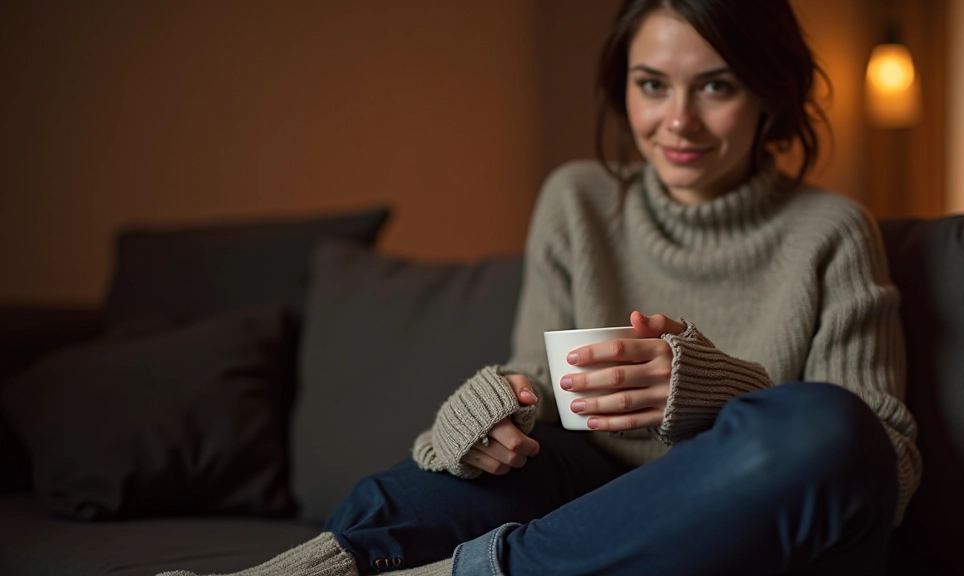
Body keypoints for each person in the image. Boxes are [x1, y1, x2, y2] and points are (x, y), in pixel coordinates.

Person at [163, 0, 921, 574]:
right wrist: (494, 411)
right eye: (651, 85)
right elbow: (543, 386)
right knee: (434, 482)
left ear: (769, 95)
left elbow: (884, 454)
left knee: (827, 424)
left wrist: (717, 393)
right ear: (622, 88)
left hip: (743, 523)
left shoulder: (832, 230)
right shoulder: (578, 198)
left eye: (715, 86)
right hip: (583, 503)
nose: (677, 120)